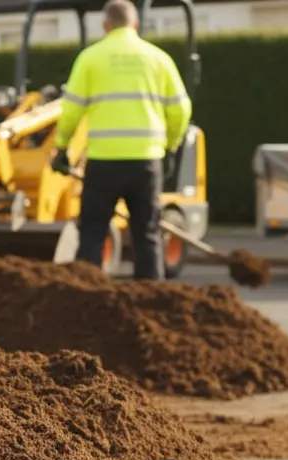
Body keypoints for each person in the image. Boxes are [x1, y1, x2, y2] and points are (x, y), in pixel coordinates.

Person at [52, 0, 192, 280]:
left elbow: (70, 111)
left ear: (105, 26)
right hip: (146, 162)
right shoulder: (158, 59)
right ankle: (150, 301)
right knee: (147, 235)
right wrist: (171, 146)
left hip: (103, 162)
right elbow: (181, 109)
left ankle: (87, 298)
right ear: (136, 24)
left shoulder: (91, 58)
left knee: (92, 232)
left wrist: (62, 147)